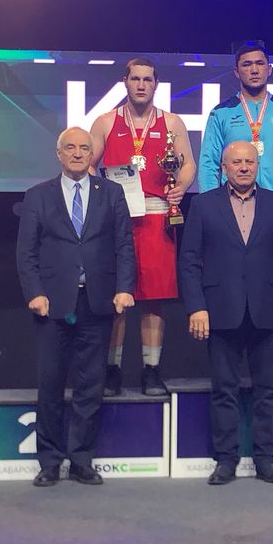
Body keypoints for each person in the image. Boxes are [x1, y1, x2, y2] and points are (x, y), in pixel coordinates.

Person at [179, 140, 273, 485]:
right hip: (220, 310)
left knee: (268, 389)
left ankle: (266, 459)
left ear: (257, 165)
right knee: (224, 389)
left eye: (249, 161)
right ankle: (226, 460)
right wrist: (196, 307)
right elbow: (189, 261)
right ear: (224, 168)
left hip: (267, 309)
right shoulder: (203, 205)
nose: (244, 167)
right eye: (236, 162)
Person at [16, 127, 136, 487]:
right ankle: (50, 462)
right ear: (59, 154)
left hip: (97, 302)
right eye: (70, 147)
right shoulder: (38, 196)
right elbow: (26, 252)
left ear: (92, 154)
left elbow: (124, 245)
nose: (78, 153)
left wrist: (124, 288)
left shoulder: (111, 193)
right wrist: (34, 292)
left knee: (90, 386)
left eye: (84, 148)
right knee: (51, 385)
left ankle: (82, 460)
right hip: (52, 304)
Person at [197, 40, 273, 383]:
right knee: (234, 279)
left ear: (269, 69)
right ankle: (232, 354)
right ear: (236, 71)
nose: (253, 69)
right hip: (233, 211)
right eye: (246, 64)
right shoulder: (221, 113)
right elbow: (209, 162)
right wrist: (210, 208)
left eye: (259, 63)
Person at [90, 57, 195, 398]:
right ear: (125, 81)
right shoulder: (106, 121)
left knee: (153, 300)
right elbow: (89, 165)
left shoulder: (172, 122)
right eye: (135, 78)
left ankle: (152, 370)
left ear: (156, 84)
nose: (141, 85)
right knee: (118, 298)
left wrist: (180, 187)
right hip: (117, 221)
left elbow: (188, 164)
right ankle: (112, 370)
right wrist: (101, 195)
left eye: (147, 79)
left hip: (156, 216)